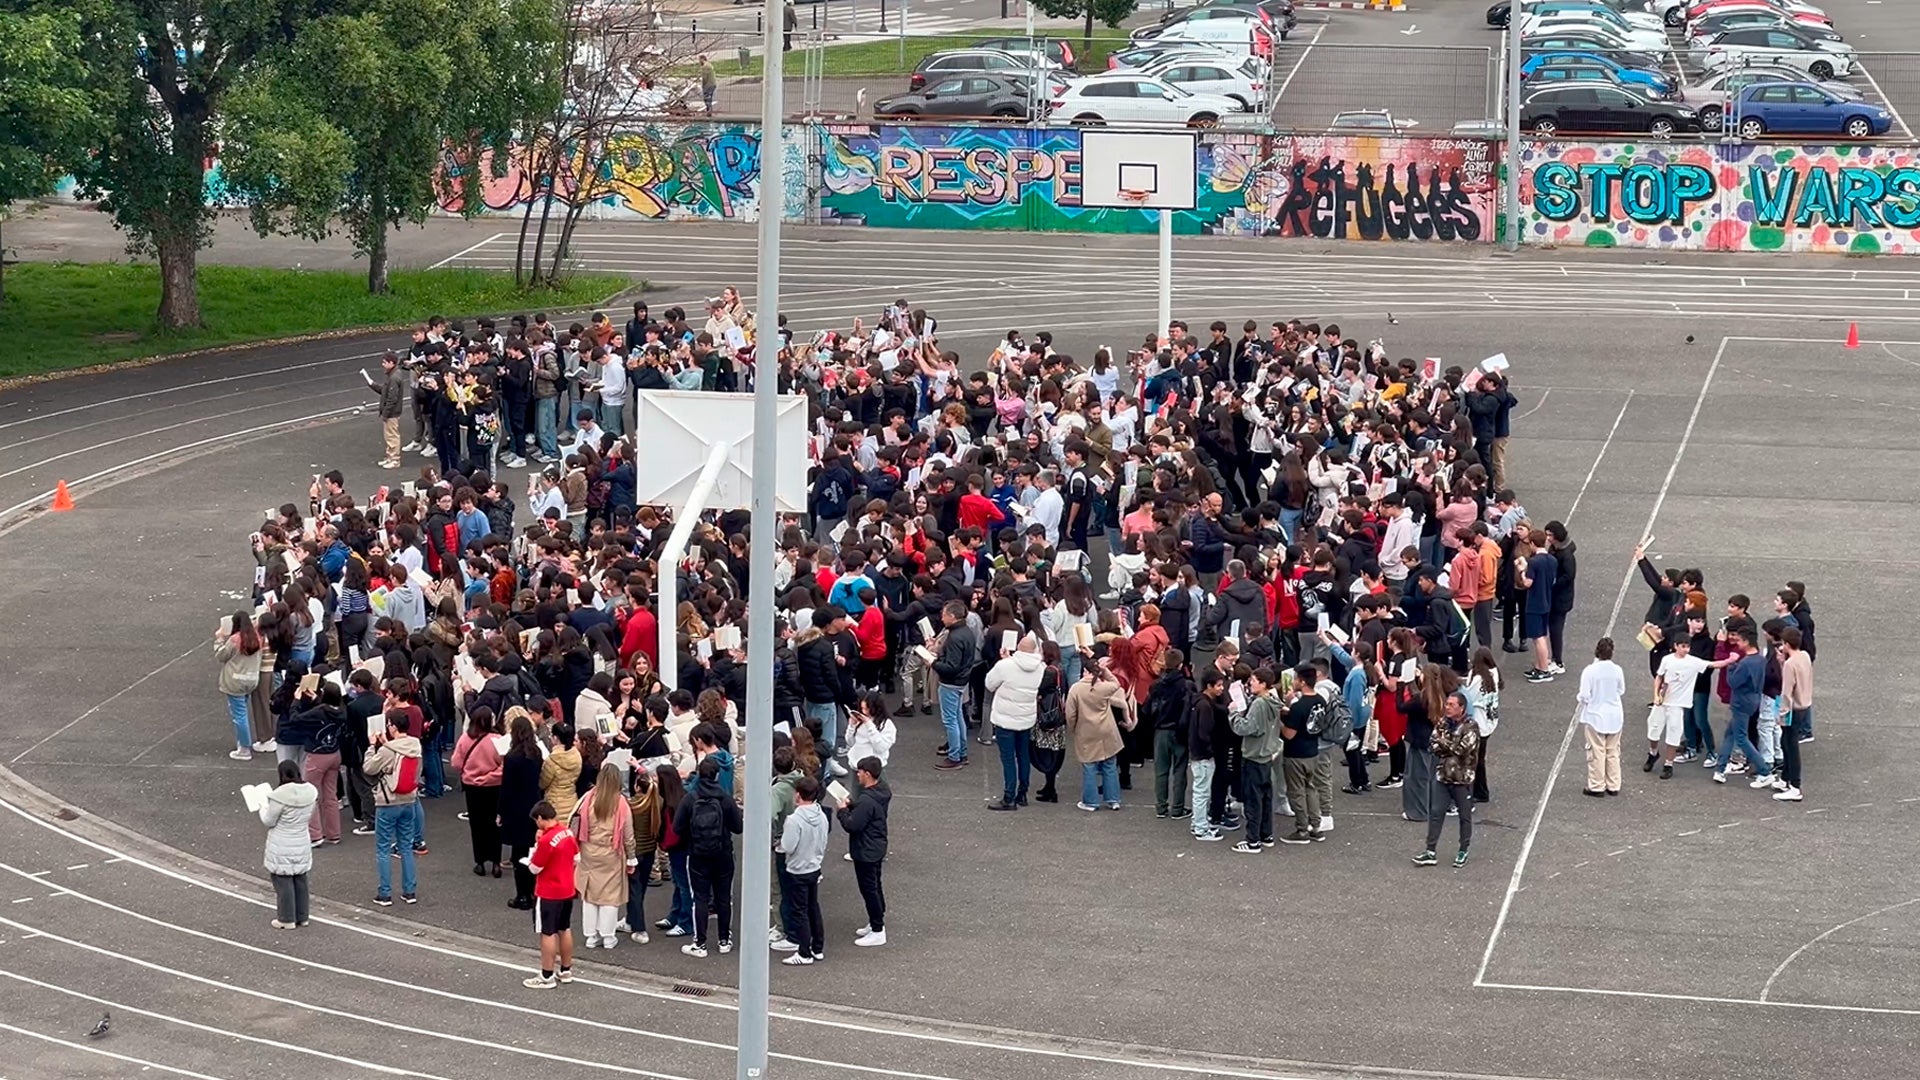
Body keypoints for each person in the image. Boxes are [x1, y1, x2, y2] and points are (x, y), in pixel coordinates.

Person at [674, 755, 744, 958]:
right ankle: (724, 940)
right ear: (717, 775)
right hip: (723, 853)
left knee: (701, 898)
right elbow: (738, 828)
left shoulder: (690, 798)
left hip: (697, 854)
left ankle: (700, 943)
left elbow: (677, 827)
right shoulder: (725, 798)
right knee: (724, 898)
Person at [364, 708, 423, 906]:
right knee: (406, 847)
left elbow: (369, 767)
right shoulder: (415, 744)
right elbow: (400, 750)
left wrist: (372, 747)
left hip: (388, 801)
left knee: (382, 848)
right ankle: (409, 891)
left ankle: (385, 893)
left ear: (393, 727)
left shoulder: (387, 750)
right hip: (409, 800)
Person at [574, 763, 636, 950]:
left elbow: (574, 819)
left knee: (590, 895)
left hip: (588, 851)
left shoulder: (588, 798)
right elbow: (628, 834)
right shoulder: (621, 802)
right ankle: (608, 936)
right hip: (612, 853)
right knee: (610, 896)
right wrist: (632, 857)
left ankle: (591, 936)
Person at [1415, 691, 1479, 868]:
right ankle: (1430, 851)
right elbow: (1433, 745)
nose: (1447, 707)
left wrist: (1443, 742)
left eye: (1451, 705)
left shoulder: (1471, 727)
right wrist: (1446, 744)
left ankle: (1463, 850)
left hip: (1462, 779)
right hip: (1443, 776)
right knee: (1436, 814)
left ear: (1462, 708)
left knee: (1464, 816)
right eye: (1447, 704)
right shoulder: (1443, 722)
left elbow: (1462, 750)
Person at [982, 631, 1044, 810]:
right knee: (1023, 755)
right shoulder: (1040, 668)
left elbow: (989, 683)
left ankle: (1009, 797)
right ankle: (1022, 793)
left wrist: (1003, 660)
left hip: (1005, 718)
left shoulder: (1005, 666)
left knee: (1008, 759)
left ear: (1018, 648)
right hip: (1026, 718)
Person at [521, 800, 580, 989]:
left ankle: (547, 975)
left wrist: (537, 846)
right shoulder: (567, 832)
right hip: (567, 889)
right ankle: (565, 970)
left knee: (548, 932)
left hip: (548, 892)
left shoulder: (546, 840)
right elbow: (576, 858)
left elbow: (535, 868)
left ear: (540, 818)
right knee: (565, 928)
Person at [1065, 652, 1133, 811]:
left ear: (1084, 672)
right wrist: (1105, 671)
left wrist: (1073, 728)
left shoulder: (1076, 689)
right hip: (1107, 729)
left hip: (1087, 730)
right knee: (1110, 764)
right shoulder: (1104, 687)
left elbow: (1070, 714)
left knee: (1089, 766)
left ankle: (1090, 801)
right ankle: (1113, 799)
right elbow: (1116, 684)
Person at [837, 756, 892, 947]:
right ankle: (876, 920)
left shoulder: (867, 801)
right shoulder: (881, 792)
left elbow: (853, 825)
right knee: (875, 885)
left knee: (869, 889)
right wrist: (854, 806)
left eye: (860, 772)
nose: (857, 775)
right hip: (876, 846)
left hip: (866, 849)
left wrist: (843, 810)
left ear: (867, 774)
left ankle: (877, 928)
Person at [776, 776, 829, 965]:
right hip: (814, 866)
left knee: (799, 911)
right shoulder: (821, 815)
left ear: (798, 795)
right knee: (813, 907)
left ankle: (804, 952)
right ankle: (817, 947)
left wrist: (780, 845)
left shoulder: (794, 819)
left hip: (797, 869)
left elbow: (788, 846)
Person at [1229, 666, 1282, 853]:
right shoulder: (1273, 700)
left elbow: (1247, 728)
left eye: (1253, 680)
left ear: (1263, 683)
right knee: (1266, 798)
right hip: (1267, 754)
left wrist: (1234, 713)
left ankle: (1252, 841)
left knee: (1253, 801)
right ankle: (1266, 835)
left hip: (1254, 755)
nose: (1250, 683)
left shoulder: (1259, 704)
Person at [260, 760, 317, 929]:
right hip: (301, 839)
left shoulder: (279, 796)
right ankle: (302, 916)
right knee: (300, 878)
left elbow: (269, 821)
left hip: (282, 841)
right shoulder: (311, 793)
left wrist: (262, 807)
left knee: (283, 879)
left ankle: (286, 918)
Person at [498, 713, 545, 910]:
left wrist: (500, 811)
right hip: (533, 805)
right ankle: (534, 893)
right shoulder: (536, 753)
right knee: (532, 851)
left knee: (518, 854)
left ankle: (522, 896)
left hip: (516, 809)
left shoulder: (512, 757)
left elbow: (507, 787)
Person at [451, 706, 505, 878]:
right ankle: (496, 862)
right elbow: (505, 766)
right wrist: (490, 776)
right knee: (494, 824)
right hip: (494, 787)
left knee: (477, 824)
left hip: (472, 787)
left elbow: (456, 763)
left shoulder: (465, 739)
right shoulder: (497, 739)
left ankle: (480, 862)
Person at [1277, 664, 1326, 845]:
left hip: (1296, 754)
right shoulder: (1320, 700)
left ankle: (1301, 829)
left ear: (1302, 681)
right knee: (1311, 788)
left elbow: (1289, 733)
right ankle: (1316, 826)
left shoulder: (1299, 706)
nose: (1294, 682)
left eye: (1296, 679)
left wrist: (1280, 721)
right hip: (1312, 750)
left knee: (1296, 792)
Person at [1577, 638, 1626, 797]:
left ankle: (1597, 785)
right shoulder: (1617, 669)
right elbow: (1621, 690)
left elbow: (1584, 695)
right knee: (1613, 750)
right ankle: (1614, 784)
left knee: (1596, 751)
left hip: (1595, 716)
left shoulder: (1590, 671)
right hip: (1615, 715)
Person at [215, 611, 264, 761]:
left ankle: (244, 747)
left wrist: (219, 639)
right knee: (242, 711)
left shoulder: (235, 640)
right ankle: (243, 742)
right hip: (251, 679)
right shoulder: (258, 638)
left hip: (235, 681)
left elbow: (221, 656)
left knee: (239, 715)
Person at [1775, 626, 1812, 802]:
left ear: (1786, 644)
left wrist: (1781, 714)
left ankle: (1795, 786)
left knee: (1791, 746)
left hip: (1793, 709)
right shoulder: (1804, 656)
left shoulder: (1790, 664)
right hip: (1804, 705)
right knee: (1786, 742)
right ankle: (1785, 778)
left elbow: (1786, 692)